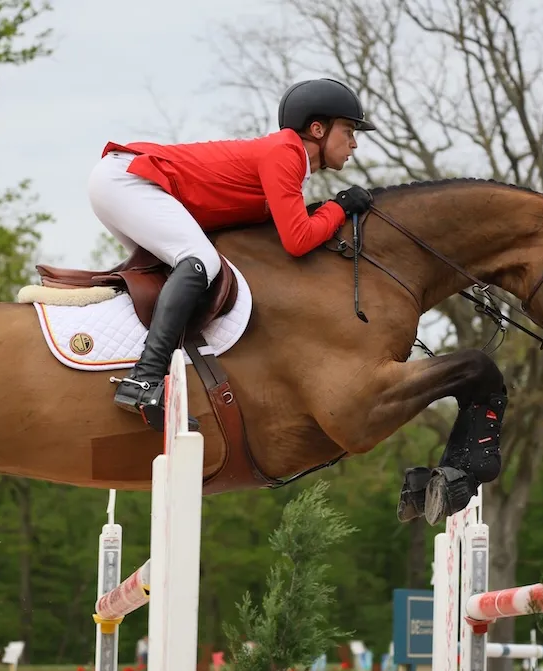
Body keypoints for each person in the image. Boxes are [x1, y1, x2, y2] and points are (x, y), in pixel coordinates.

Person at [87, 78, 377, 430]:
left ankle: (142, 371)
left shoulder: (289, 160)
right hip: (129, 180)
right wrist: (339, 207)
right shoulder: (286, 153)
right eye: (348, 130)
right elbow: (298, 239)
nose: (354, 143)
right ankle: (144, 380)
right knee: (200, 261)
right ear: (318, 128)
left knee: (187, 276)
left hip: (123, 179)